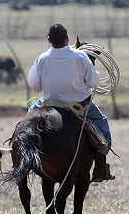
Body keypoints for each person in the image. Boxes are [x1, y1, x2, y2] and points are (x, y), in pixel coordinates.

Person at [26, 23, 114, 182]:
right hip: (79, 105)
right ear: (67, 39)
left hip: (49, 103)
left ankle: (21, 153)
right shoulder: (80, 57)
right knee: (102, 126)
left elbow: (35, 86)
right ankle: (100, 169)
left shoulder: (42, 58)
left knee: (27, 123)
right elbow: (93, 82)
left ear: (49, 40)